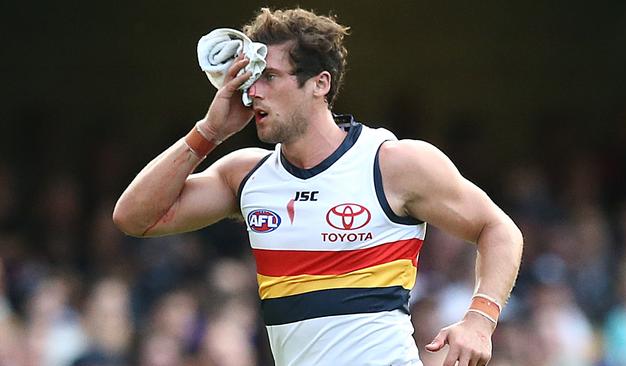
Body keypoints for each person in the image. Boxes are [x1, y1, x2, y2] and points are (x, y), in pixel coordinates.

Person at [113, 7, 523, 366]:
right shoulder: (246, 175)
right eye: (252, 79)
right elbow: (134, 218)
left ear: (320, 84)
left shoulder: (391, 162)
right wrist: (208, 132)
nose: (252, 92)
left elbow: (499, 229)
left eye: (270, 77)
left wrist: (480, 320)